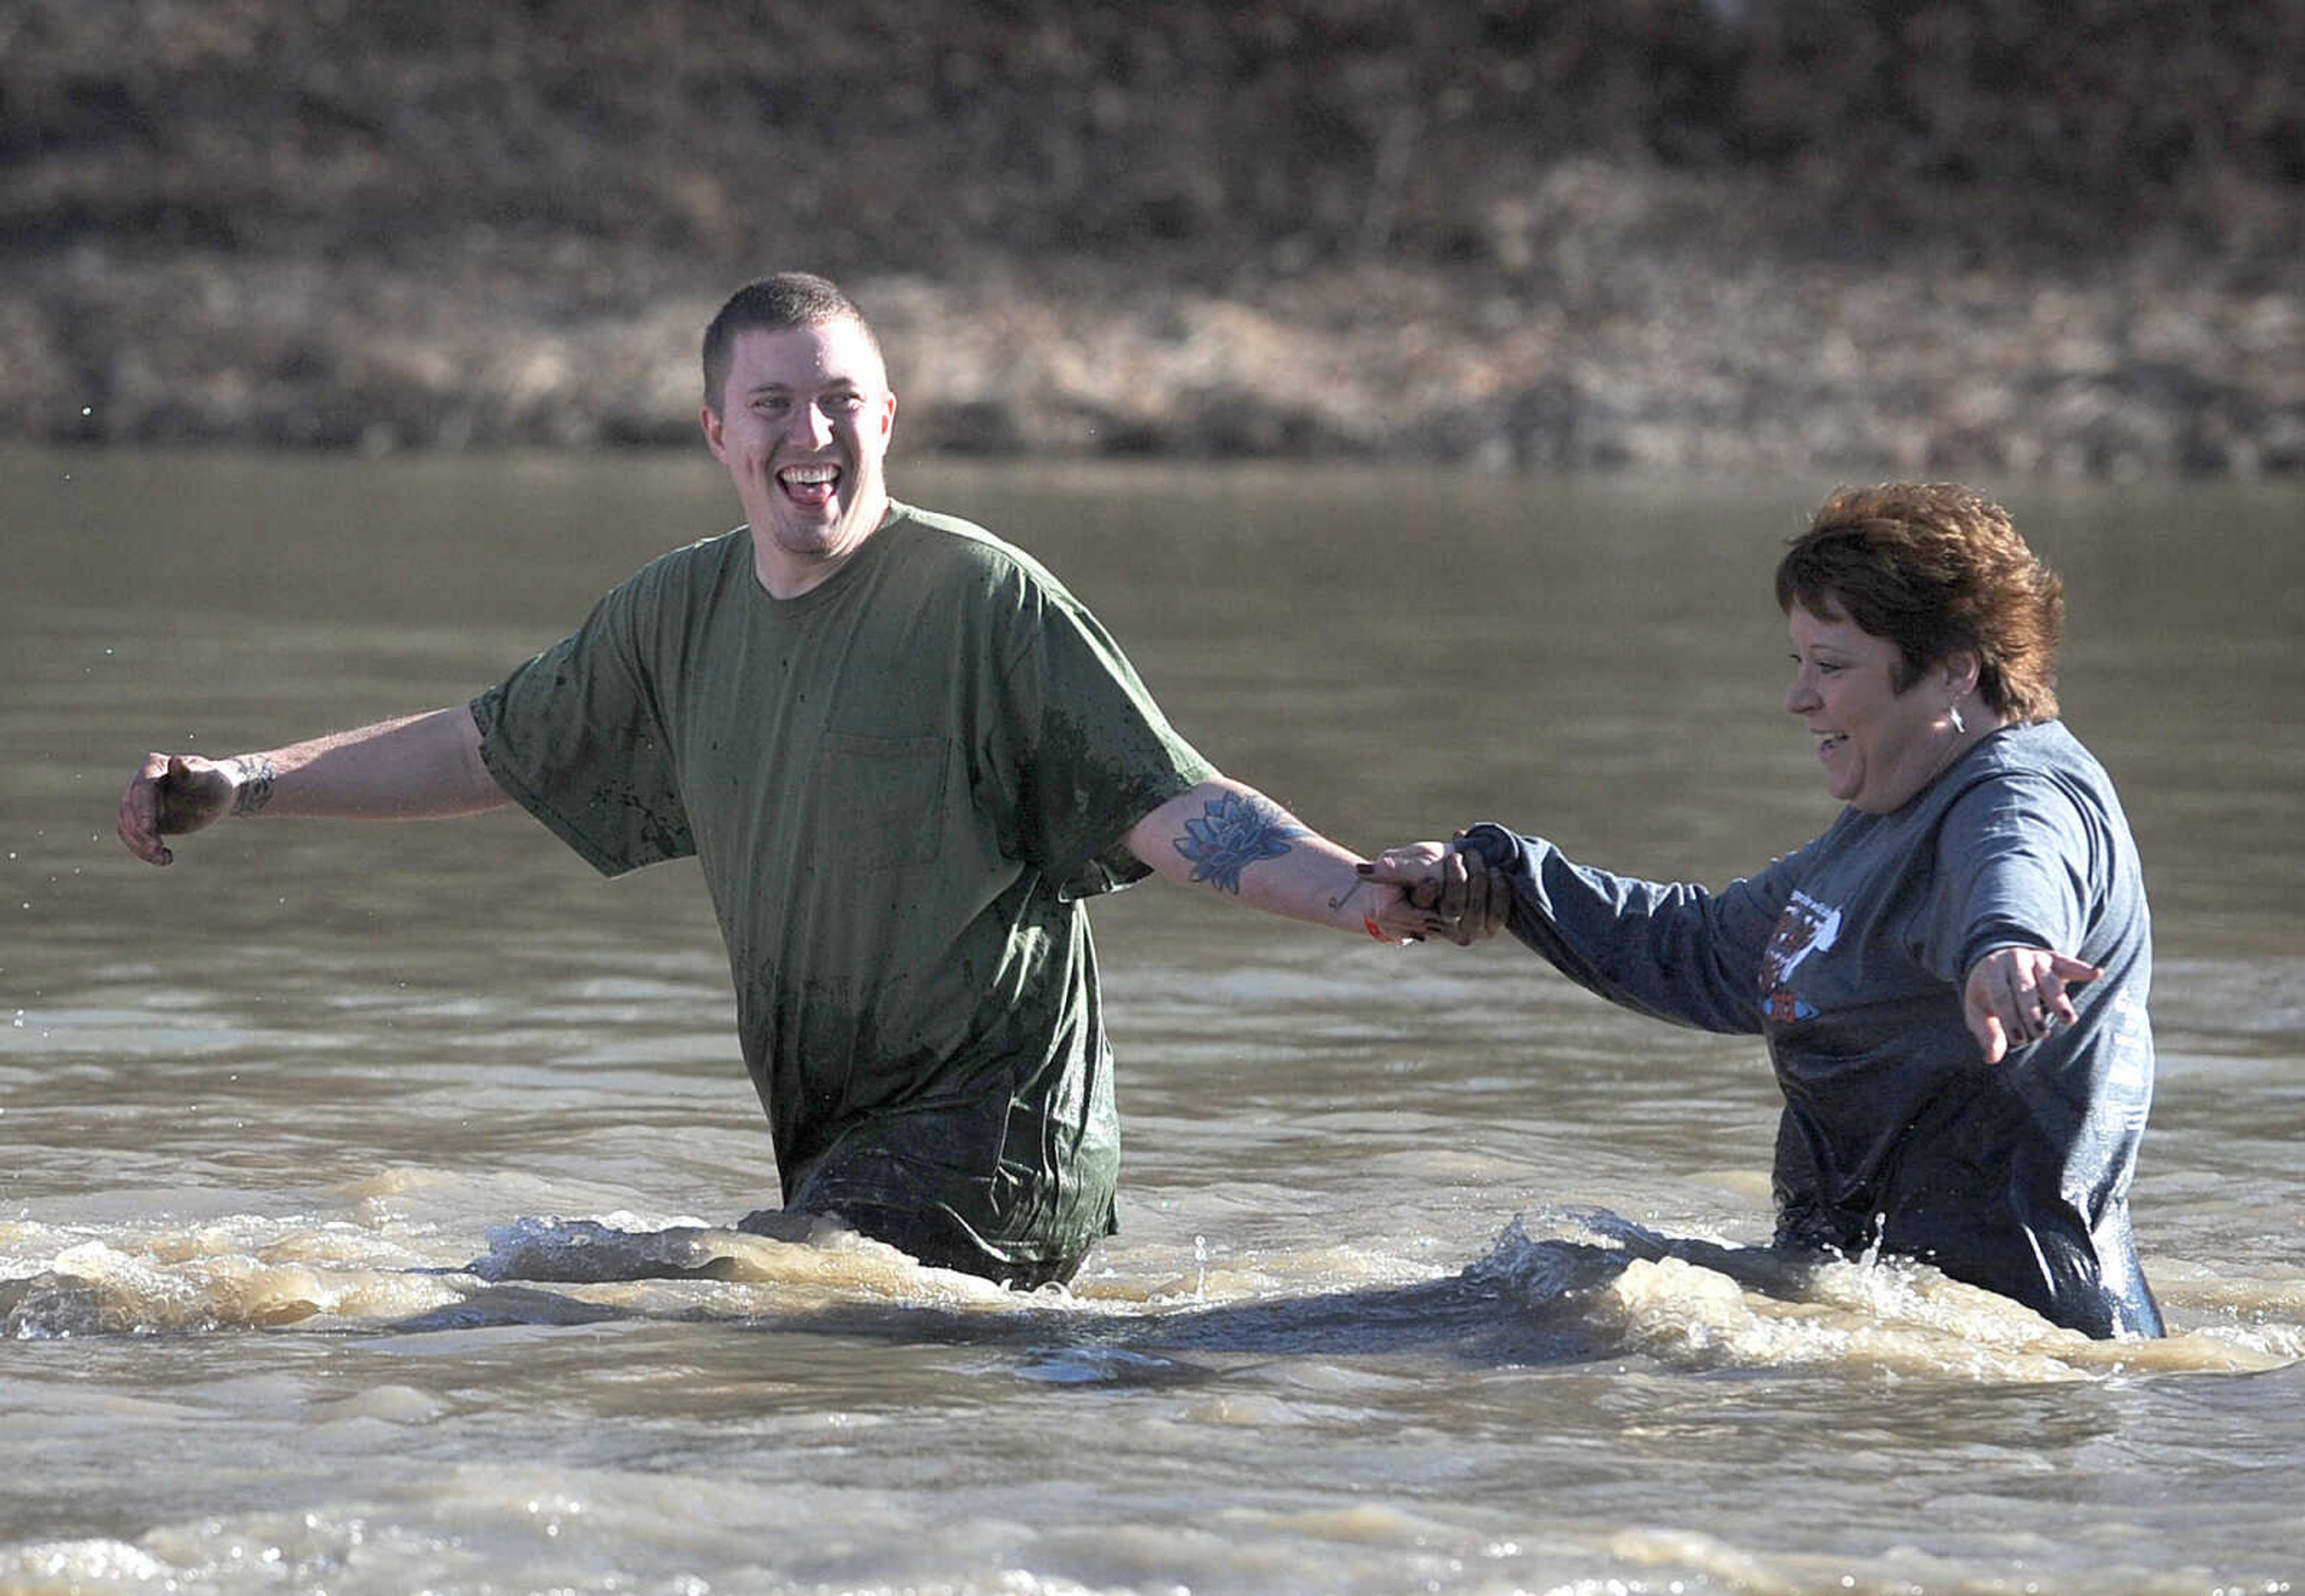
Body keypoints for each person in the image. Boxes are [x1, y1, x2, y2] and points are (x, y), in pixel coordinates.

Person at [118, 271, 1464, 1290]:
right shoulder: (676, 616)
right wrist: (248, 780)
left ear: (887, 419)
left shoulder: (981, 600)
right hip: (839, 1135)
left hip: (993, 1133)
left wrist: (1352, 891)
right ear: (719, 431)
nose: (808, 435)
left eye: (837, 403)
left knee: (634, 1302)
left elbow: (1172, 805)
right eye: (773, 405)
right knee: (724, 1339)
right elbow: (485, 745)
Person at [1368, 483, 2163, 1339]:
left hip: (2037, 1357)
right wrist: (1508, 877)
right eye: (1800, 665)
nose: (1800, 698)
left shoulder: (2020, 793)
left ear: (1953, 671)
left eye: (1833, 666)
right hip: (1885, 1324)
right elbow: (1700, 950)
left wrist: (2008, 948)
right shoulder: (1880, 827)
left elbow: (2019, 868)